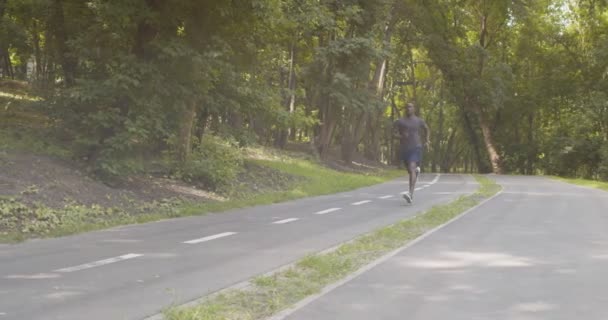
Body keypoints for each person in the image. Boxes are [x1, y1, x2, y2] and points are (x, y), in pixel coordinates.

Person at [394, 102, 430, 204]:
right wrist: (401, 136)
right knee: (411, 171)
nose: (408, 108)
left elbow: (427, 129)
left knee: (411, 167)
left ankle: (410, 194)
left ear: (414, 108)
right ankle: (416, 172)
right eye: (407, 107)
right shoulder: (400, 121)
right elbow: (393, 134)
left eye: (410, 107)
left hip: (416, 147)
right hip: (405, 149)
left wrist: (427, 140)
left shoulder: (419, 121)